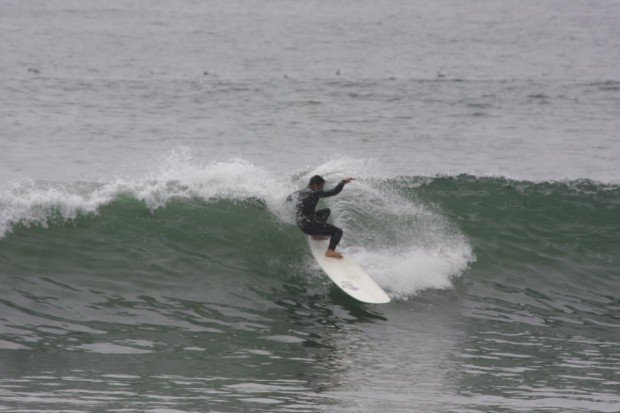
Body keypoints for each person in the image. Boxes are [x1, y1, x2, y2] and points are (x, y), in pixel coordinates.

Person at [295, 175, 354, 259]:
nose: (322, 188)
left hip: (301, 223)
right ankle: (330, 251)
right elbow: (334, 192)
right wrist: (342, 182)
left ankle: (316, 235)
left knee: (326, 211)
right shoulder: (315, 193)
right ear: (314, 185)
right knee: (338, 231)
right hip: (309, 226)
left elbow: (289, 200)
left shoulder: (301, 192)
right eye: (321, 186)